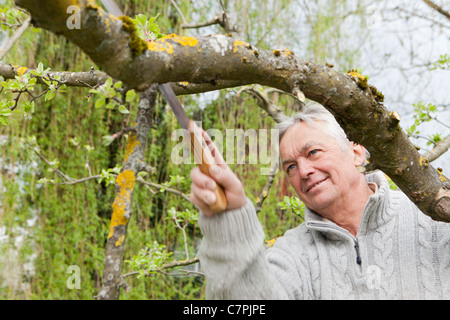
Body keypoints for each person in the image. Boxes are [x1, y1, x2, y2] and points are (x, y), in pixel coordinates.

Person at [190, 102, 450, 299]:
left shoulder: (434, 217)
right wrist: (229, 220)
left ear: (356, 152)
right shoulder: (291, 253)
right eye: (291, 166)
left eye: (313, 152)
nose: (303, 171)